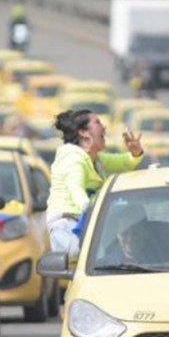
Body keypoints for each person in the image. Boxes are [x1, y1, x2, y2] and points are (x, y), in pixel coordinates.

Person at [46, 109, 144, 258]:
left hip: (86, 224)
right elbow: (75, 188)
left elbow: (126, 163)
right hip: (67, 227)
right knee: (90, 258)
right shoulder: (73, 158)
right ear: (83, 133)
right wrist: (94, 210)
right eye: (97, 123)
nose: (104, 127)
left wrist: (135, 151)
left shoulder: (95, 159)